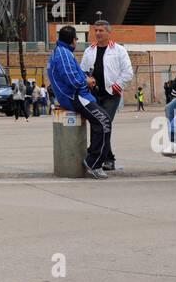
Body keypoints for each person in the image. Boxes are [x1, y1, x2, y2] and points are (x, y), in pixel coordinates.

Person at [46, 24, 112, 179]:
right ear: (73, 41)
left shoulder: (61, 52)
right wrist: (87, 82)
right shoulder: (63, 54)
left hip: (74, 95)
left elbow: (72, 75)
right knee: (103, 121)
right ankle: (93, 162)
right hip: (74, 97)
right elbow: (72, 80)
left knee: (102, 121)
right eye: (76, 38)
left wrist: (84, 78)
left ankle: (94, 159)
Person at [79, 19, 133, 172]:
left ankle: (107, 159)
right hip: (94, 95)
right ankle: (99, 156)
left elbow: (128, 72)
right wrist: (87, 80)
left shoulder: (119, 50)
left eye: (101, 30)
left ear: (109, 32)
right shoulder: (89, 50)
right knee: (97, 124)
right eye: (96, 30)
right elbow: (83, 72)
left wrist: (117, 86)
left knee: (104, 123)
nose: (98, 33)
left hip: (111, 94)